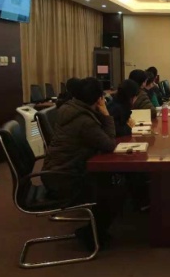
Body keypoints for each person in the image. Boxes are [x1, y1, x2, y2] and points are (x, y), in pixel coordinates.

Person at [42, 77, 119, 250]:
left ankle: (95, 229)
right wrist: (106, 114)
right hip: (65, 178)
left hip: (56, 172)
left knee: (111, 180)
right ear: (98, 98)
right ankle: (90, 235)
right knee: (116, 191)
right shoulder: (84, 121)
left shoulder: (71, 108)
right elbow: (109, 144)